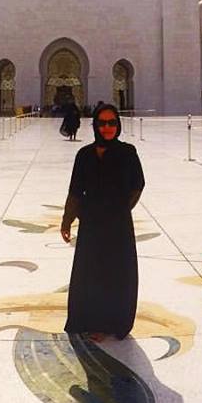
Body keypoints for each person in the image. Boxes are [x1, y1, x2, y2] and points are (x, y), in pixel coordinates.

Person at [60, 103, 144, 341]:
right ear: (95, 125)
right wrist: (67, 220)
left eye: (112, 123)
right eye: (102, 123)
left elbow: (138, 185)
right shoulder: (84, 154)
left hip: (117, 224)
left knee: (116, 272)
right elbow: (75, 191)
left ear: (118, 125)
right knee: (91, 271)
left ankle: (114, 322)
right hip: (91, 223)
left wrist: (119, 209)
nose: (107, 128)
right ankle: (90, 320)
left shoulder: (127, 152)